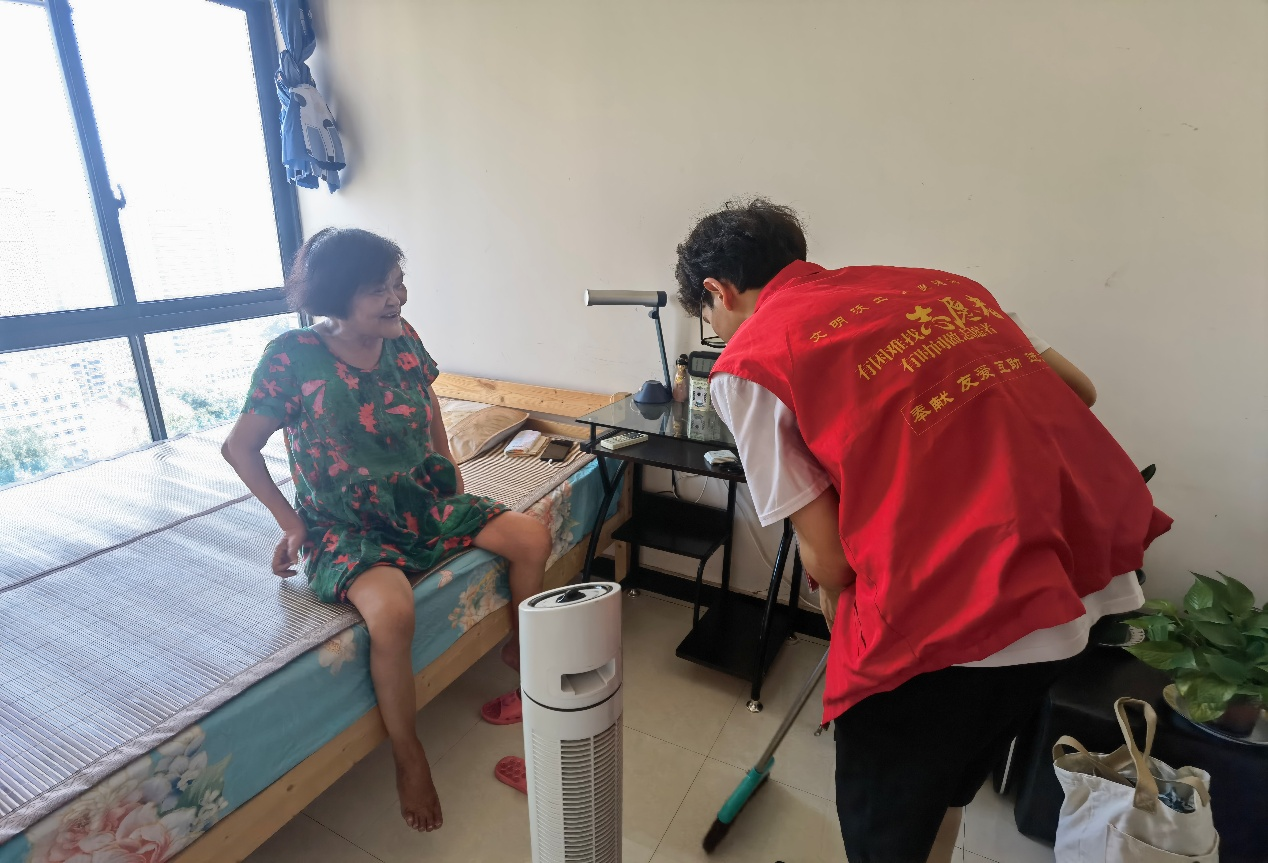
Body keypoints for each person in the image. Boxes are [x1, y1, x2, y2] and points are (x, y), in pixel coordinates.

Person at [673, 200, 1172, 863]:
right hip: (1080, 585)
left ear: (719, 291)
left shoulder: (749, 363)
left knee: (884, 822)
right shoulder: (942, 288)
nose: (717, 331)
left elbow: (832, 561)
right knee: (946, 784)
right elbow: (1078, 391)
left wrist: (840, 601)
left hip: (958, 617)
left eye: (708, 317)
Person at [222, 228, 551, 833]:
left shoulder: (405, 339)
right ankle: (409, 754)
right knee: (393, 613)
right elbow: (239, 447)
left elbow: (430, 409)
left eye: (398, 283)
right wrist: (291, 524)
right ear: (337, 295)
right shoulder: (291, 356)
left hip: (422, 499)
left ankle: (519, 656)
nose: (396, 298)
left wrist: (451, 478)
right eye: (379, 289)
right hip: (344, 524)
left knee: (531, 538)